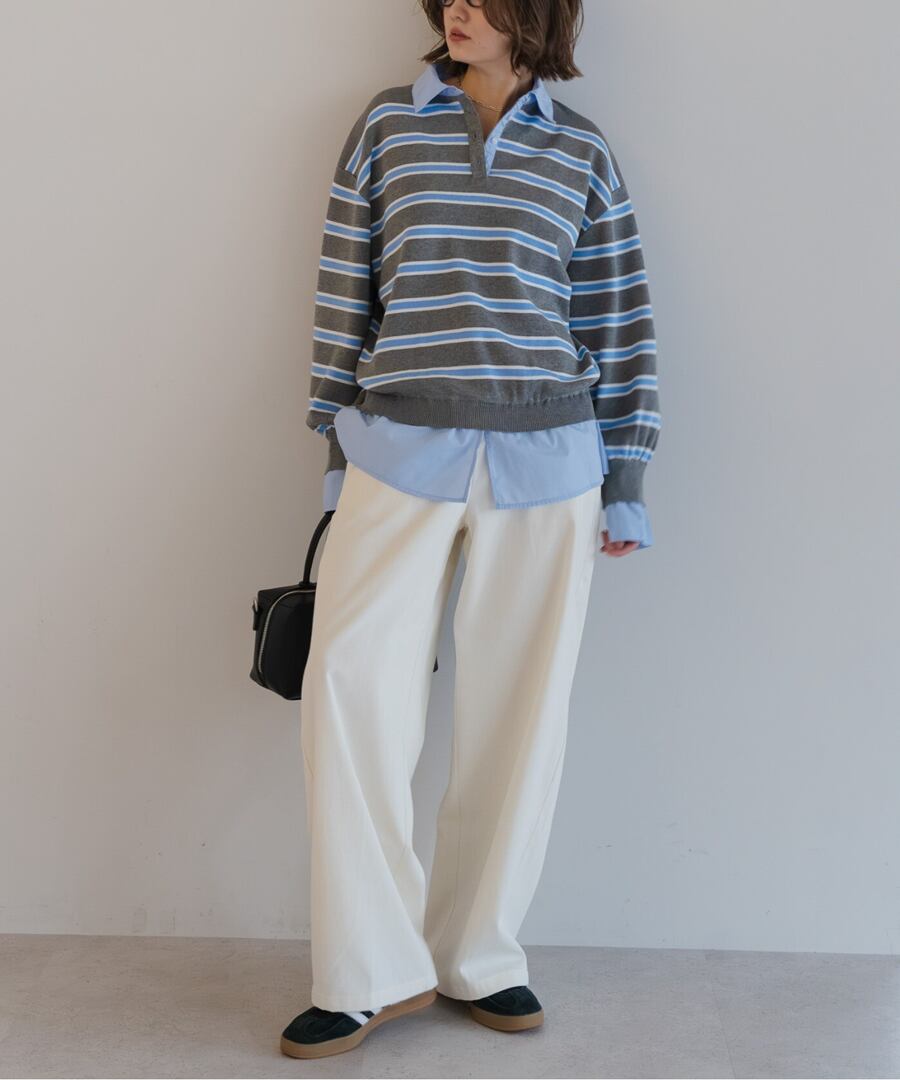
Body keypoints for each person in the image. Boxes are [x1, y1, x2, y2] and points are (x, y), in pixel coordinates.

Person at [281, 0, 662, 1059]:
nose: (459, 8)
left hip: (550, 465)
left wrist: (626, 480)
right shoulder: (386, 124)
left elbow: (620, 319)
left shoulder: (582, 150)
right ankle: (366, 972)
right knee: (348, 691)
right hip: (395, 453)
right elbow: (342, 293)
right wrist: (333, 454)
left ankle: (478, 957)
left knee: (519, 718)